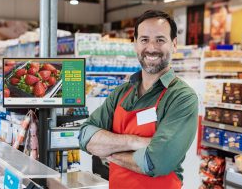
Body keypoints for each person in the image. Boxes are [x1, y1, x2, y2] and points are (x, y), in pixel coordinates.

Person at [79, 10, 198, 189]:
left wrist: (109, 152)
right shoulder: (121, 92)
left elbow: (157, 161)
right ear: (135, 44)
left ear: (174, 44)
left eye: (160, 39)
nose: (151, 48)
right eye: (144, 39)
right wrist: (134, 142)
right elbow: (85, 136)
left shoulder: (181, 97)